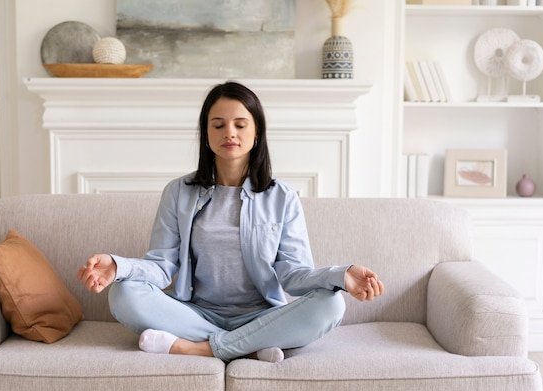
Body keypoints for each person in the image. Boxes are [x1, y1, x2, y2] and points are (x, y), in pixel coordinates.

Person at [77, 81, 384, 363]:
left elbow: (293, 274)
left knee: (331, 305)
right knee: (124, 293)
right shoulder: (178, 192)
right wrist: (119, 267)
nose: (230, 133)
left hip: (262, 317)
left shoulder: (282, 197)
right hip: (194, 314)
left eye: (240, 124)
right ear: (206, 133)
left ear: (257, 132)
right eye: (218, 124)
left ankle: (199, 349)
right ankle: (249, 348)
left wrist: (339, 276)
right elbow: (161, 266)